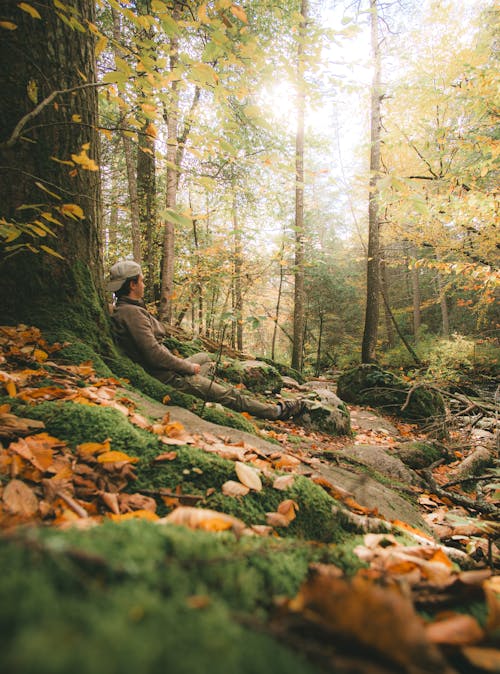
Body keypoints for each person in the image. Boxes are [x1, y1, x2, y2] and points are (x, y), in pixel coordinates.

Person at [107, 260, 306, 421]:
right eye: (141, 281)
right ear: (133, 284)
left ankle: (208, 387)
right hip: (169, 377)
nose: (143, 284)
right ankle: (275, 412)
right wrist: (186, 367)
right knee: (230, 395)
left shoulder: (126, 309)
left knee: (204, 357)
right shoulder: (131, 313)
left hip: (169, 369)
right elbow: (154, 354)